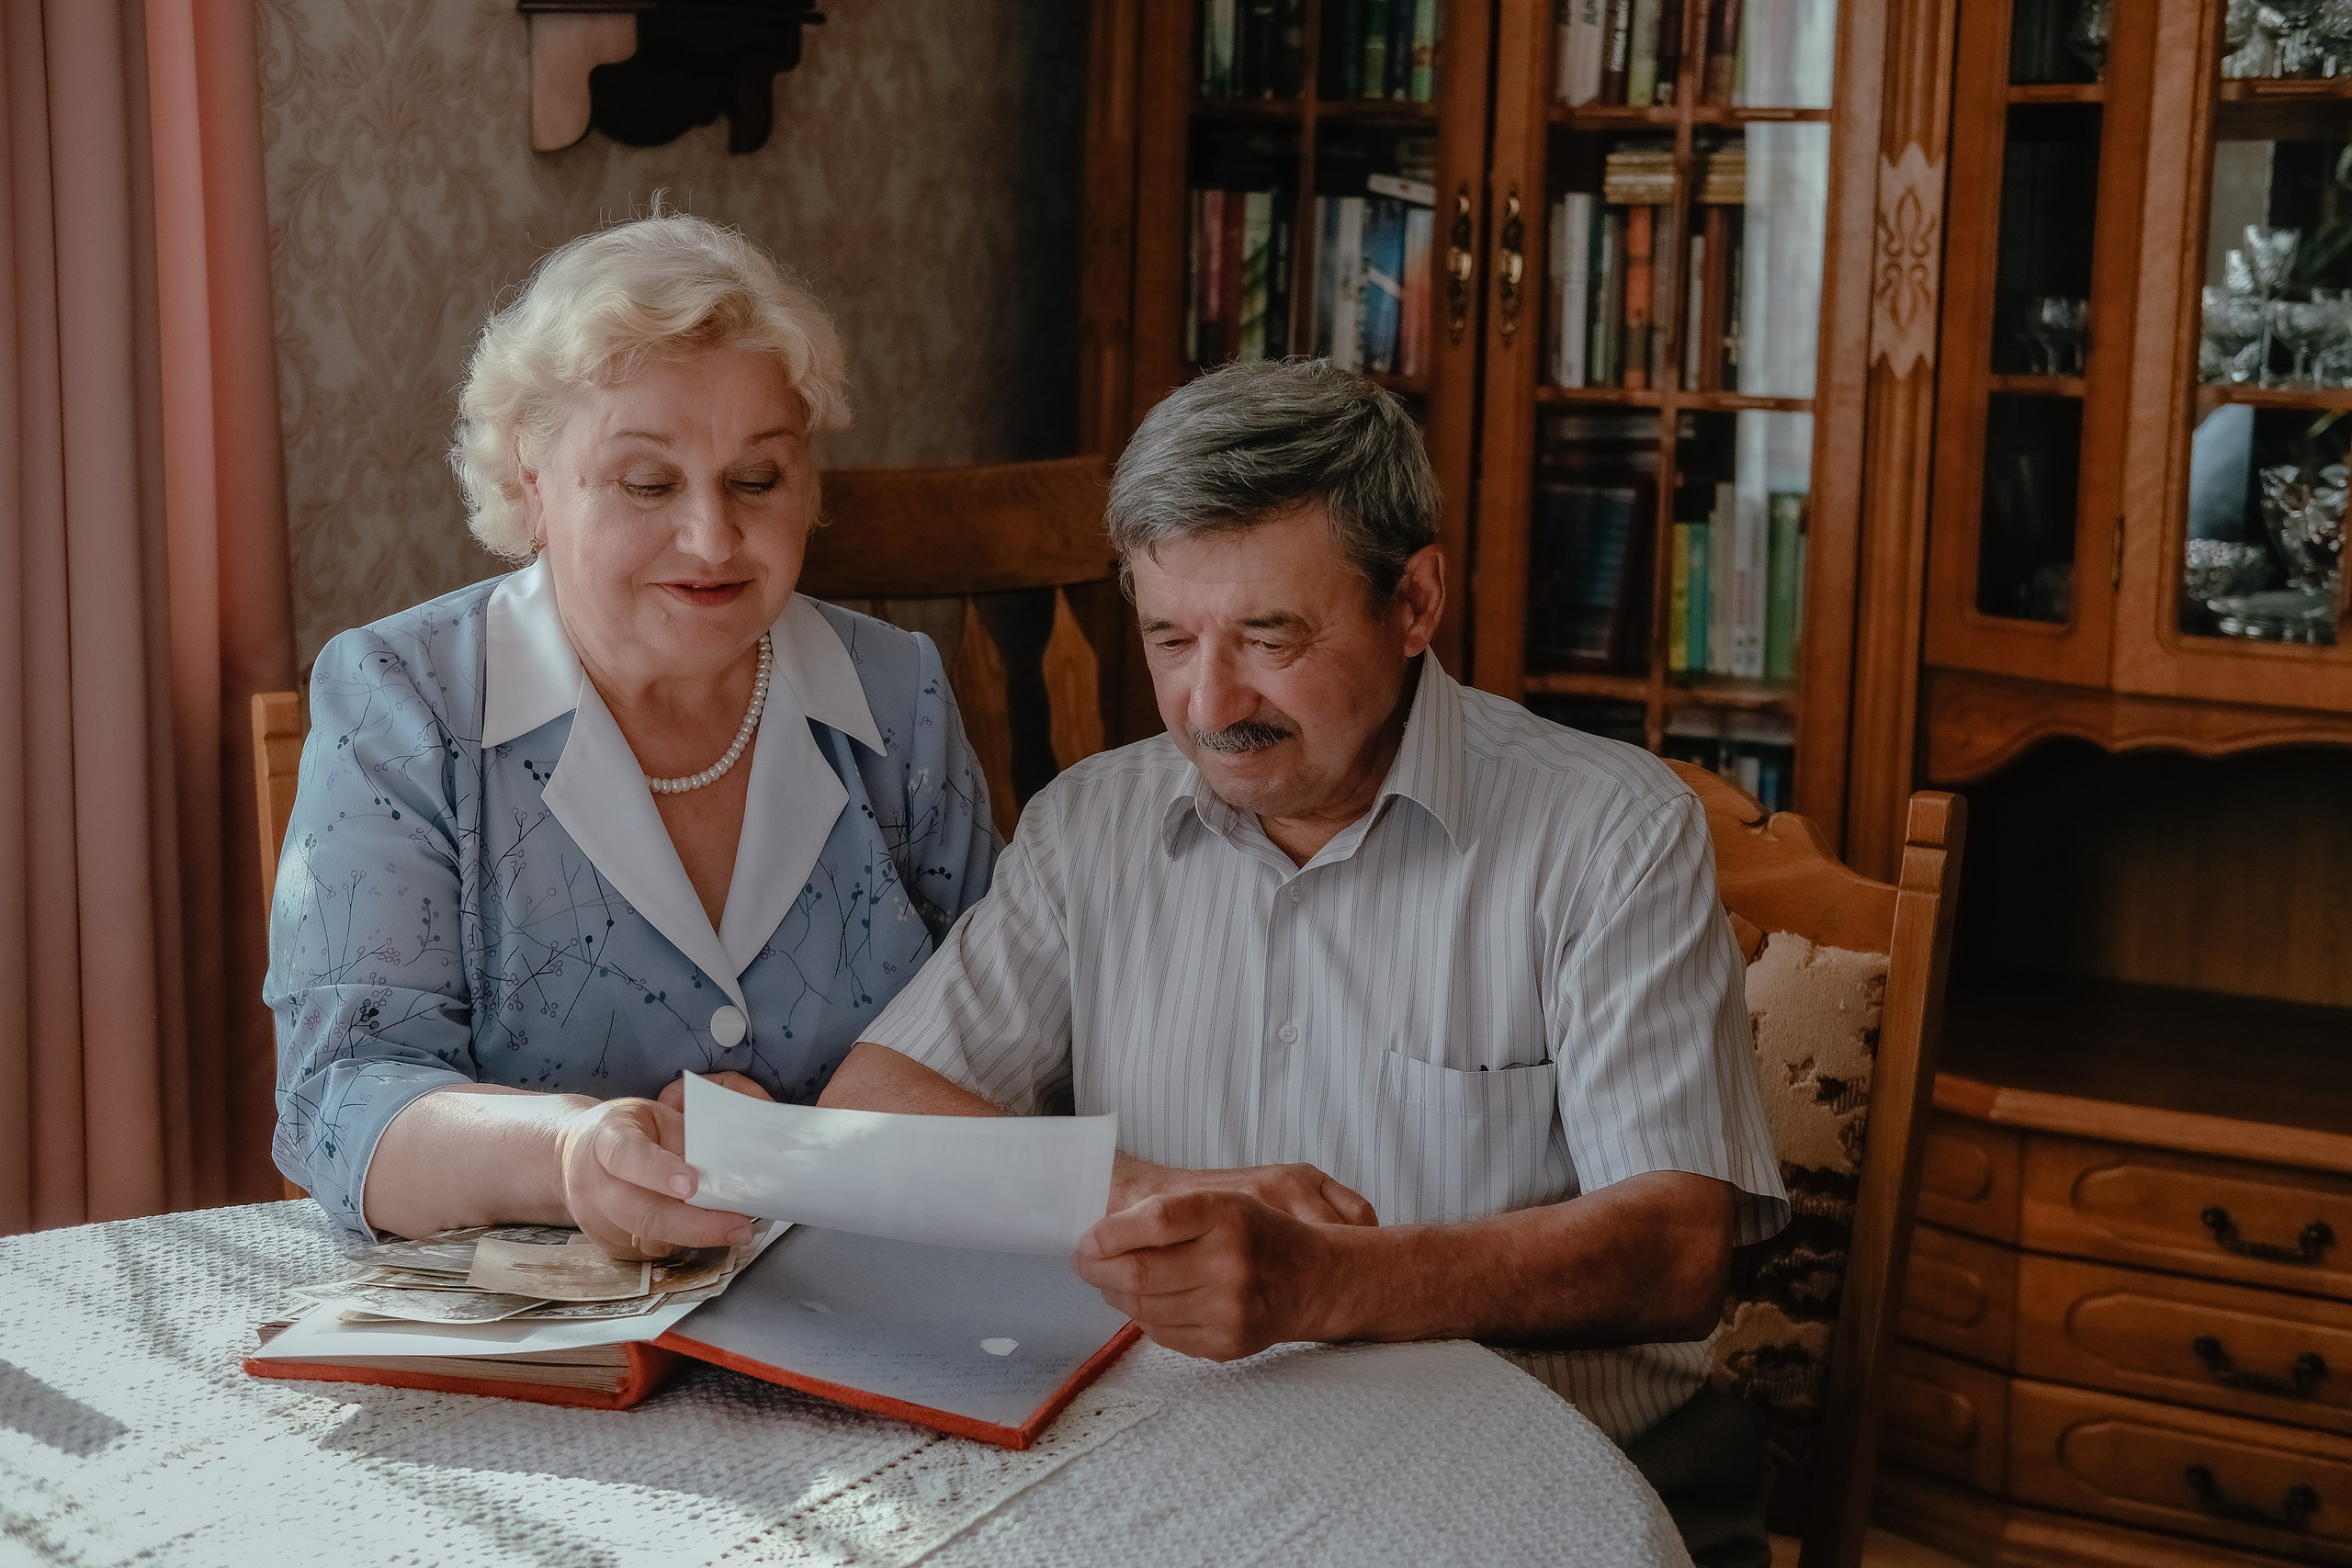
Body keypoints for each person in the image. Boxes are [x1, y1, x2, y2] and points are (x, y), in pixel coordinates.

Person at [820, 357, 1789, 1567]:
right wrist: (1145, 1189)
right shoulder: (1093, 825)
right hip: (1190, 1462)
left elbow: (1675, 1249)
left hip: (1570, 1468)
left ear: (1416, 599)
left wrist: (1331, 1282)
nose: (1209, 699)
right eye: (1171, 636)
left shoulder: (1613, 830)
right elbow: (871, 1108)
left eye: (1271, 634)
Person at [266, 213, 995, 1260]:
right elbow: (344, 1106)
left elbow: (1010, 1037)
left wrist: (791, 1150)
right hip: (552, 1354)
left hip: (875, 1301)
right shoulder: (402, 701)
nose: (711, 538)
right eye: (647, 484)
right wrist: (573, 1155)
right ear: (531, 480)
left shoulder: (897, 696)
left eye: (758, 480)